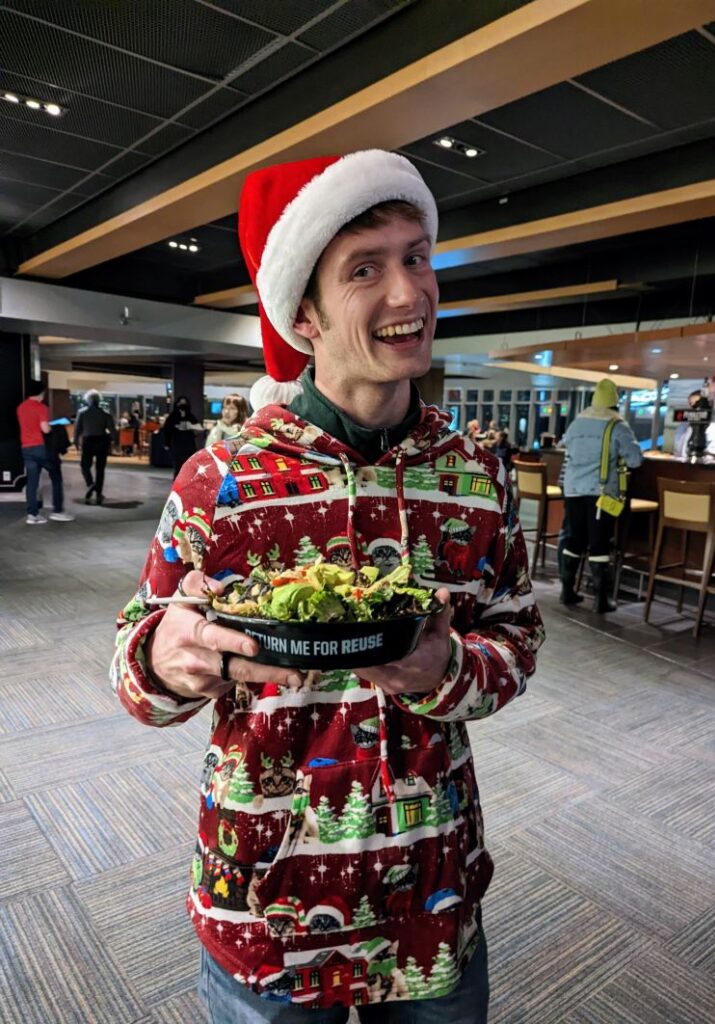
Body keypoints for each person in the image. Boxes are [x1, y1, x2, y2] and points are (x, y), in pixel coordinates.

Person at [111, 150, 543, 1024]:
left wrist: (449, 671)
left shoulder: (474, 474)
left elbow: (518, 637)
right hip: (264, 901)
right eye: (365, 269)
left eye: (417, 256)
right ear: (302, 315)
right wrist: (168, 657)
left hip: (431, 899)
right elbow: (133, 672)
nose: (409, 292)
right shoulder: (220, 476)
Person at [558, 378, 642, 612]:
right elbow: (635, 460)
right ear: (615, 404)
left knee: (574, 539)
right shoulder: (617, 426)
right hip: (601, 493)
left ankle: (567, 591)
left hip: (572, 490)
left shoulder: (577, 423)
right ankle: (601, 600)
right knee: (599, 544)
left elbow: (565, 446)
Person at [16, 379, 74, 525]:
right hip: (41, 448)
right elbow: (45, 429)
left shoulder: (21, 407)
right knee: (56, 477)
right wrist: (53, 425)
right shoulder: (41, 407)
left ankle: (32, 515)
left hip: (26, 447)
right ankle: (58, 511)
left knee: (32, 482)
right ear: (40, 393)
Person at [74, 389, 117, 504]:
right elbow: (112, 430)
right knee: (100, 468)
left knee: (85, 466)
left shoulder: (82, 413)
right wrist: (115, 441)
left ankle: (90, 484)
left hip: (88, 441)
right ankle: (98, 492)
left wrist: (75, 442)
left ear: (88, 400)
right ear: (99, 400)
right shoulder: (105, 413)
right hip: (102, 440)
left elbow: (78, 429)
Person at [673, 390, 715, 459]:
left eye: (696, 405)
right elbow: (678, 449)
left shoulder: (711, 425)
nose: (692, 408)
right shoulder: (683, 424)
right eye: (690, 404)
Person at [163, 395, 202, 478]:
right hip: (177, 444)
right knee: (178, 466)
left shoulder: (190, 416)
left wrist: (190, 426)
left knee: (189, 465)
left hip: (189, 444)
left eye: (184, 403)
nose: (182, 405)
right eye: (180, 403)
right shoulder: (172, 417)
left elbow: (199, 428)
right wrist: (167, 444)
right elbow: (167, 430)